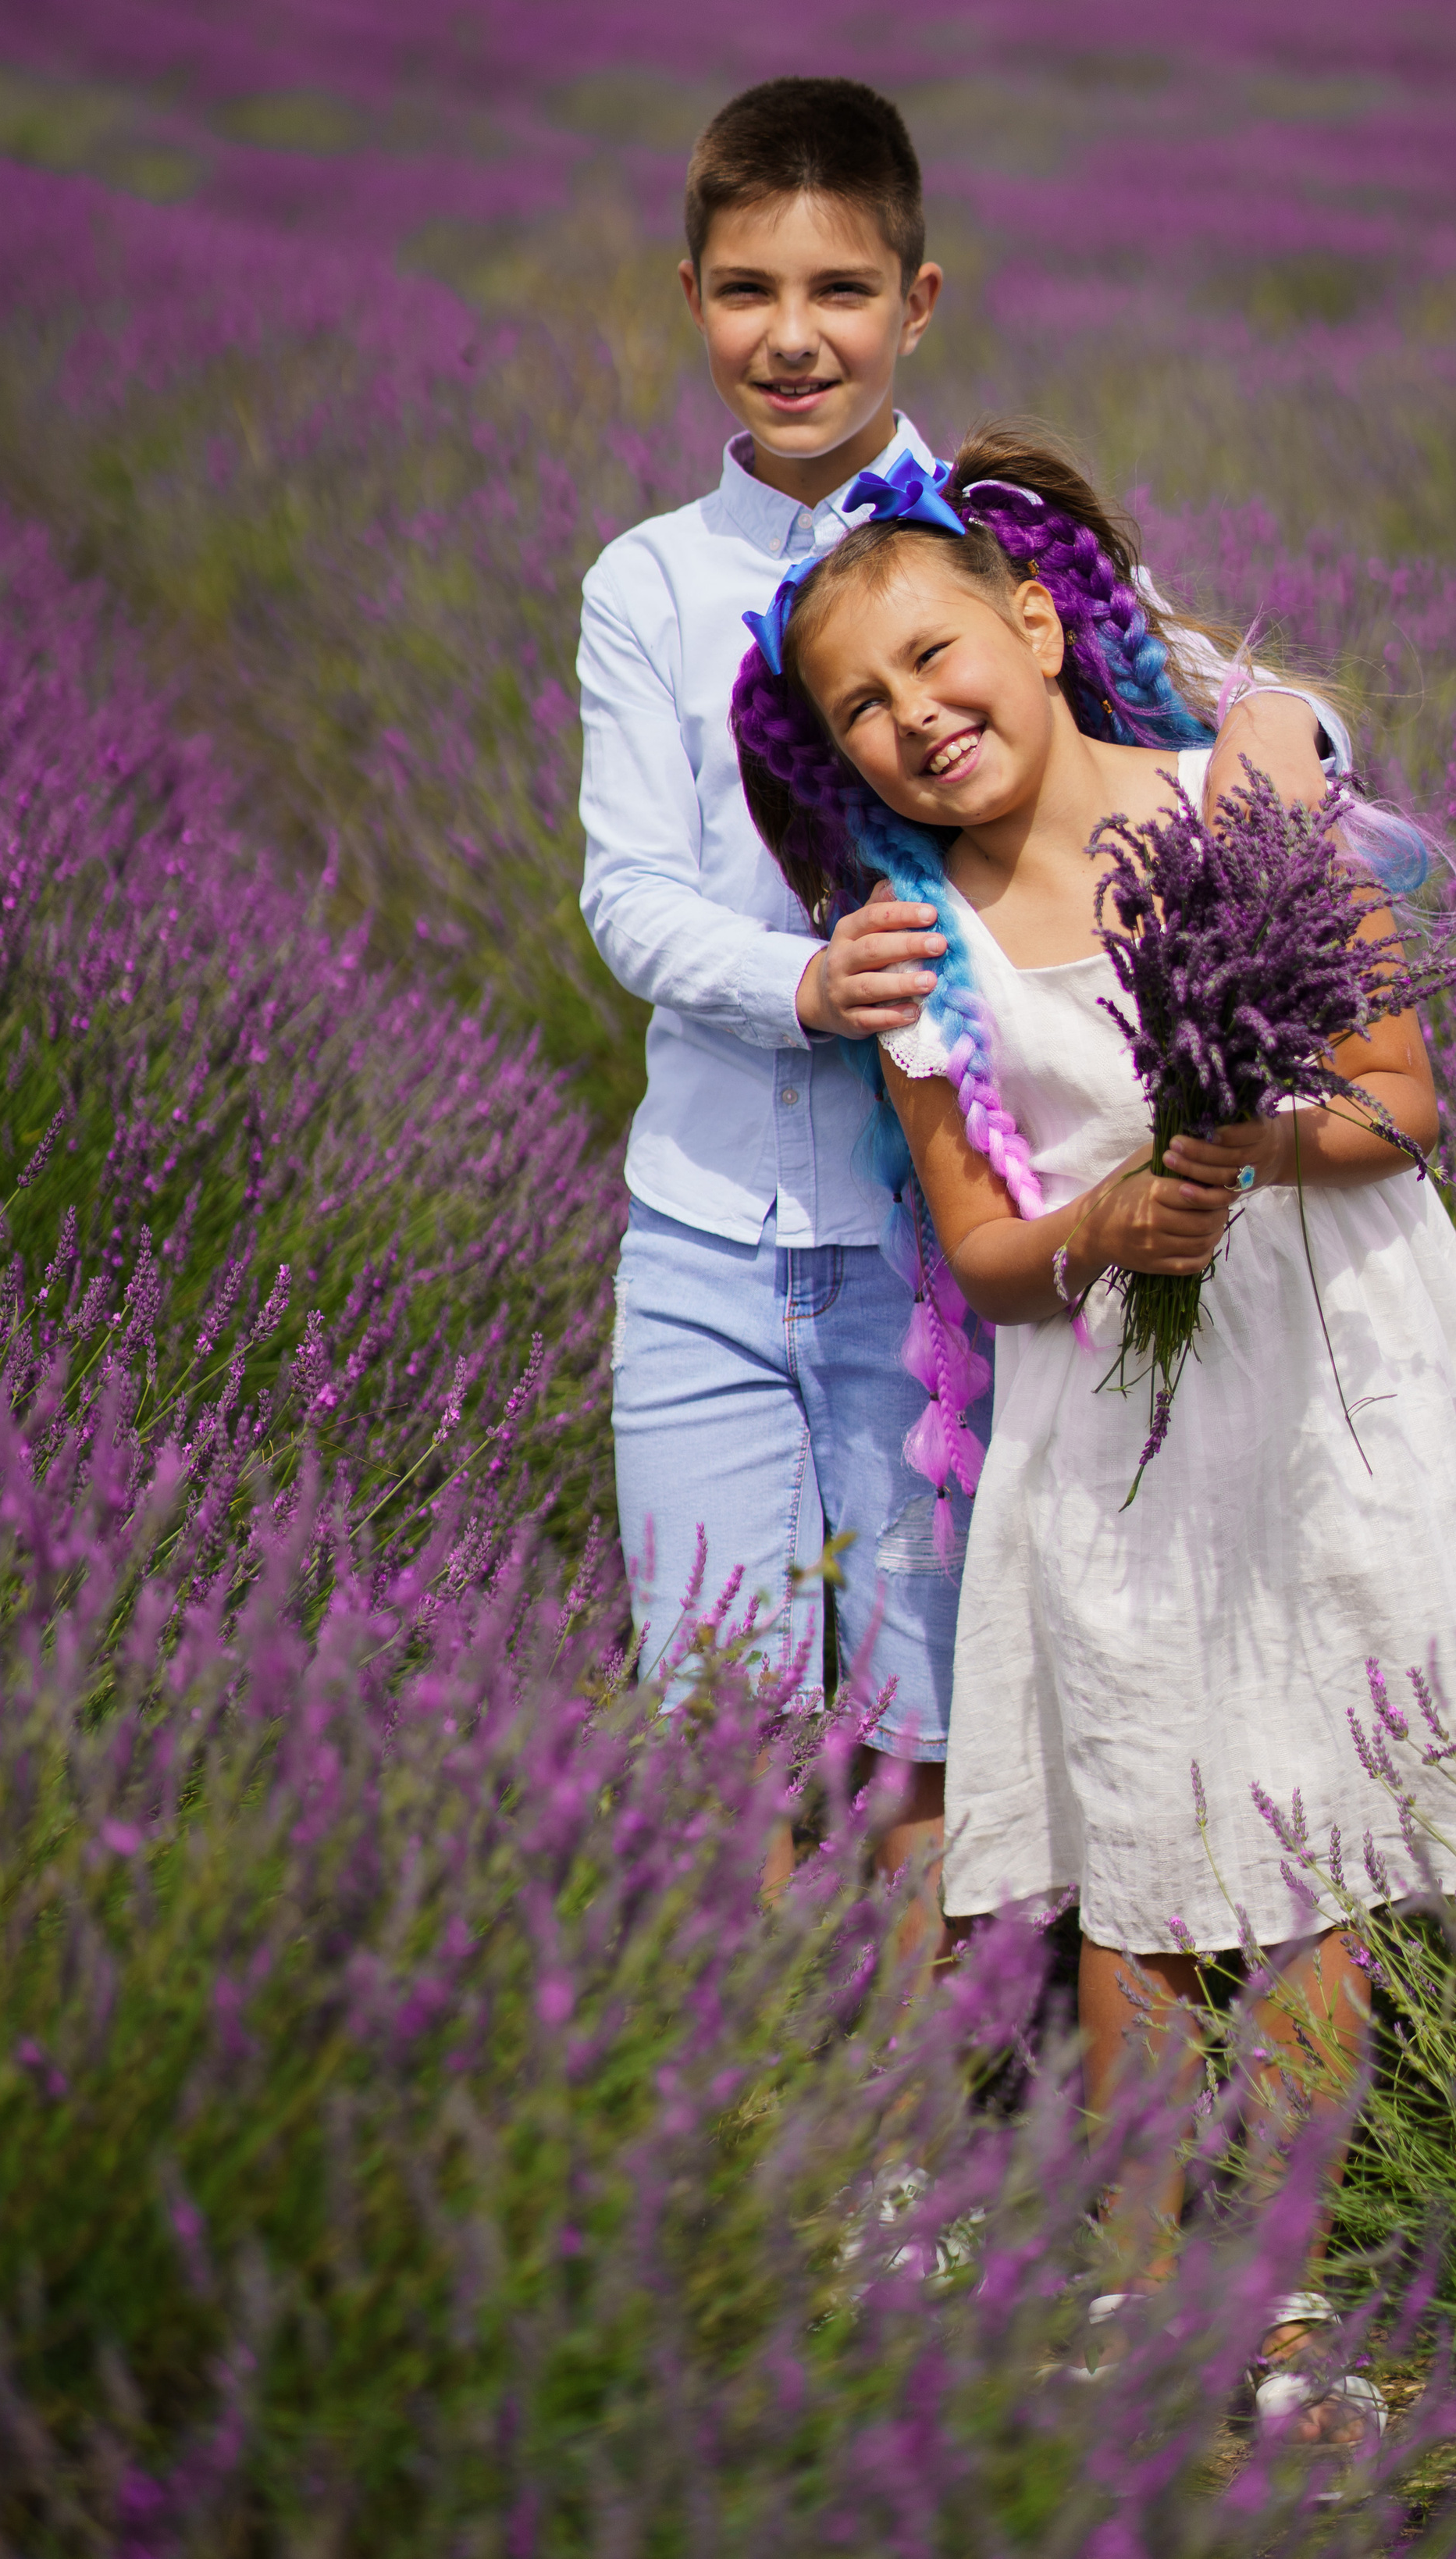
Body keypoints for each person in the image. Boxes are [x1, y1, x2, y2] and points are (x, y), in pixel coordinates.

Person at [731, 420, 1456, 2442]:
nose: (915, 715)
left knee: (1310, 1846)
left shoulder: (1241, 801)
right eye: (862, 707)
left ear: (1036, 624)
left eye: (941, 657)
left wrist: (1254, 1141)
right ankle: (1136, 2293)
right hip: (1107, 1426)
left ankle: (1277, 2292)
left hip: (1324, 1382)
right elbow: (976, 1249)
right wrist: (1107, 1223)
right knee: (1144, 1850)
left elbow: (1402, 1099)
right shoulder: (916, 947)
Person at [576, 79, 981, 1893]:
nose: (792, 336)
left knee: (927, 1741)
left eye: (838, 289)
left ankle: (913, 2169)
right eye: (747, 290)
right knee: (717, 1735)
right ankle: (743, 2156)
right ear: (689, 300)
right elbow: (629, 897)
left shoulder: (994, 550)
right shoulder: (647, 585)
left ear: (917, 298)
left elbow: (1163, 708)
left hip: (938, 1257)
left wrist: (1303, 729)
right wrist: (804, 984)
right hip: (706, 1247)